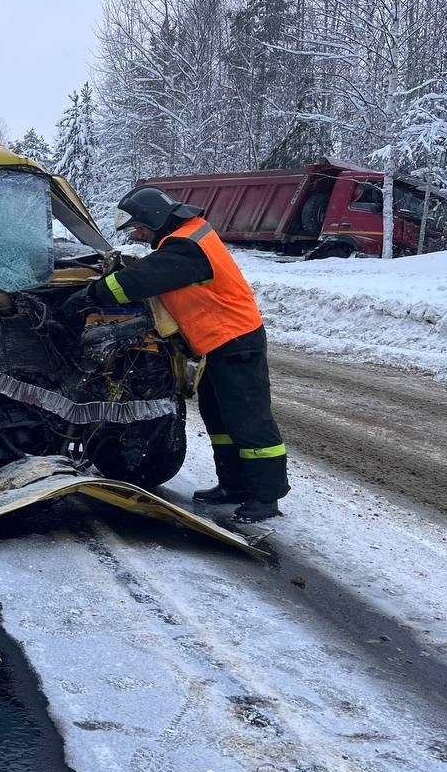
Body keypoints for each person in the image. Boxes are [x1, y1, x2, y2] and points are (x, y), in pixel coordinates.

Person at [62, 186, 288, 523]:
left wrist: (90, 294)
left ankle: (266, 495)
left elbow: (144, 278)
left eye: (138, 227)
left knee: (248, 419)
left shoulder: (188, 245)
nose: (137, 234)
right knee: (219, 417)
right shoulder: (181, 240)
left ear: (154, 217)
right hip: (216, 343)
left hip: (237, 341)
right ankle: (234, 484)